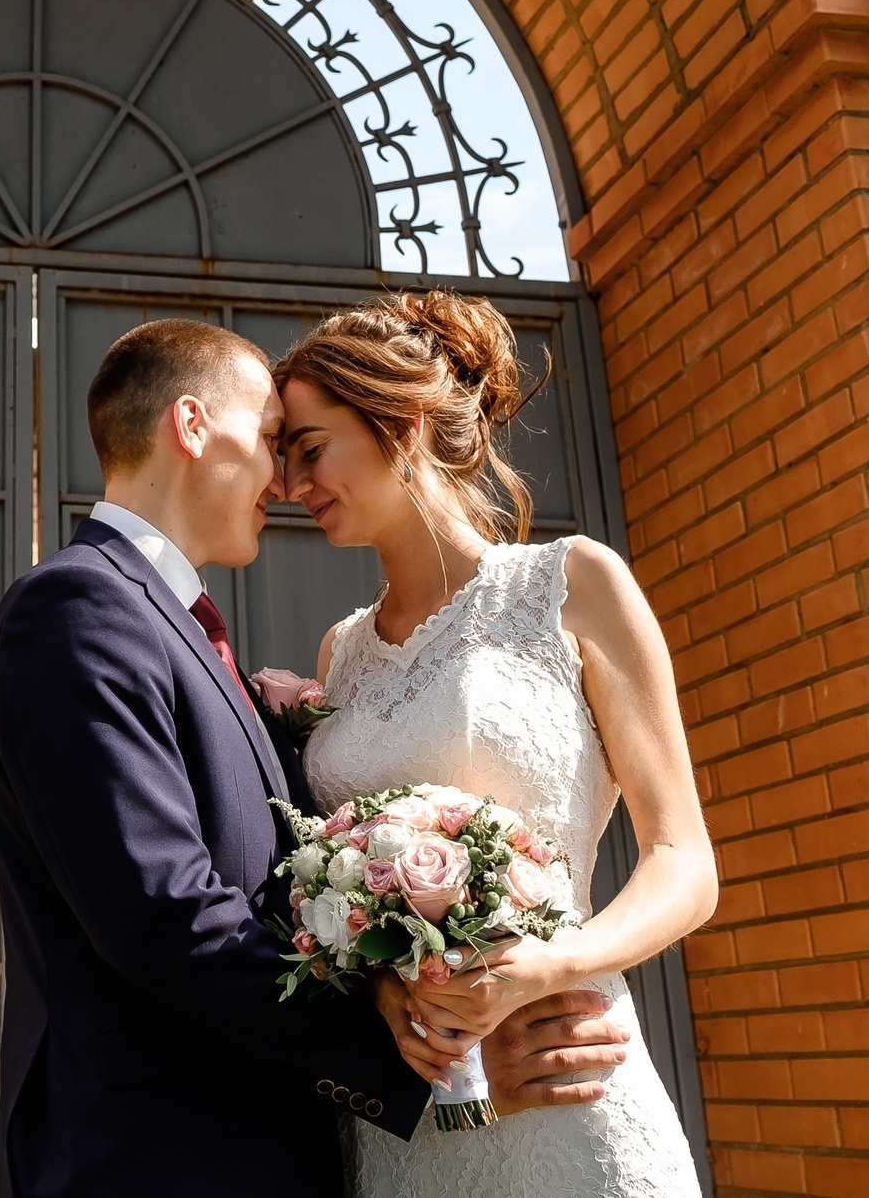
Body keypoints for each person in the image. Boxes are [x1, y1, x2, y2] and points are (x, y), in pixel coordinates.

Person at [0, 317, 636, 1198]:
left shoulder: (181, 634)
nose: (283, 481)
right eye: (271, 439)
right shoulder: (76, 609)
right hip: (148, 1159)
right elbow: (162, 916)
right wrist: (432, 1066)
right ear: (193, 424)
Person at [278, 293, 718, 1198]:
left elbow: (685, 858)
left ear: (397, 424)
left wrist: (552, 964)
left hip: (567, 1077)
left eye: (310, 448)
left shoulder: (574, 585)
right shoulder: (341, 651)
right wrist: (384, 992)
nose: (290, 483)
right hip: (414, 1114)